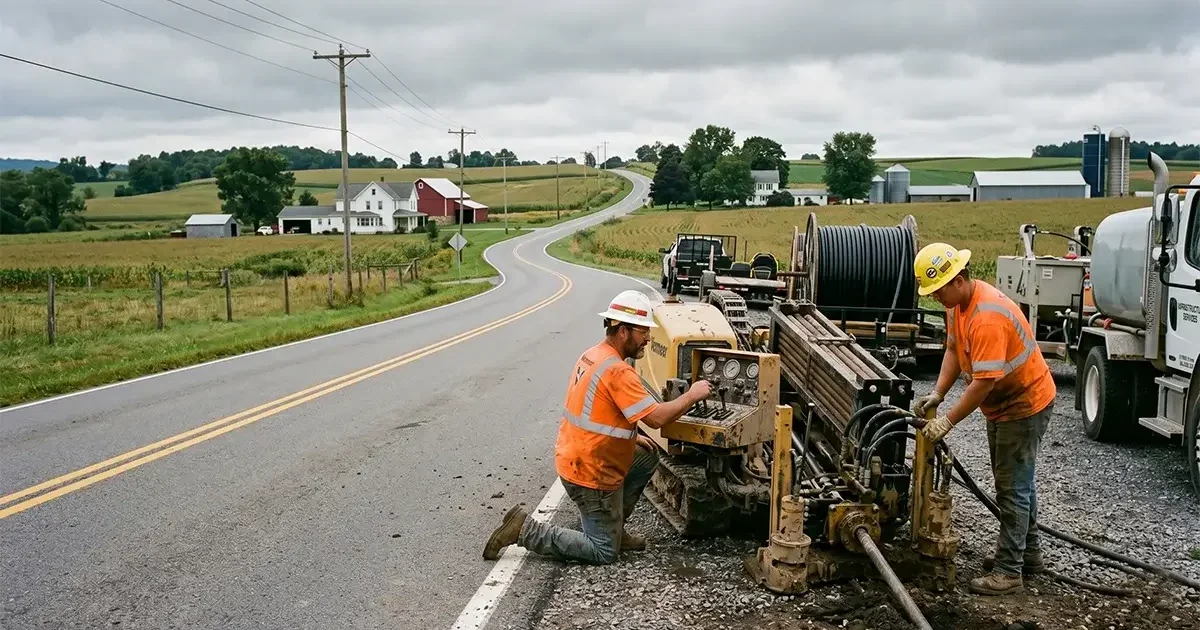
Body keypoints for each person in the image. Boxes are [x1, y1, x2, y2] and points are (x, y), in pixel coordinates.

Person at [482, 289, 712, 565]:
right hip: (590, 470)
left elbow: (598, 413)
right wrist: (693, 395)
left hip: (576, 455)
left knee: (647, 457)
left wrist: (633, 437)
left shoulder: (593, 355)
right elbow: (657, 419)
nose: (648, 339)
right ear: (623, 331)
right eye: (643, 332)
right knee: (602, 551)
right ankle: (525, 530)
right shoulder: (618, 371)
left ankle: (614, 529)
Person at [910, 242, 1056, 596]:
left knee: (1012, 487)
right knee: (1017, 481)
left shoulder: (986, 316)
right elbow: (953, 351)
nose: (936, 298)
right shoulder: (957, 306)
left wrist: (947, 420)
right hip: (1005, 403)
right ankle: (1029, 556)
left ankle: (1009, 571)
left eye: (938, 290)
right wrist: (939, 393)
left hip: (1023, 405)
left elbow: (983, 384)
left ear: (959, 279)